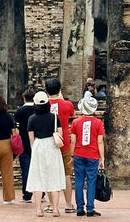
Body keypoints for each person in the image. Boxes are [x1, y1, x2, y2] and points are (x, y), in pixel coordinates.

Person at [26, 90, 66, 217]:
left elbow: (31, 138)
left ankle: (38, 209)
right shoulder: (54, 117)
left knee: (38, 178)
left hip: (38, 145)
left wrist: (34, 151)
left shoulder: (31, 119)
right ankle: (55, 209)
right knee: (54, 176)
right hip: (52, 146)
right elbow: (60, 134)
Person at [71, 95, 105, 217]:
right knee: (91, 181)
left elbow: (73, 141)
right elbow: (100, 141)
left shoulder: (75, 122)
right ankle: (90, 208)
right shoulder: (98, 123)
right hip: (92, 155)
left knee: (79, 181)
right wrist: (102, 158)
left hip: (78, 154)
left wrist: (71, 155)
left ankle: (80, 208)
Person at [46, 77, 76, 213]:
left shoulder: (43, 105)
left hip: (48, 143)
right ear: (59, 89)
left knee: (49, 174)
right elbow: (71, 115)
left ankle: (51, 205)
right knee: (67, 175)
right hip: (64, 143)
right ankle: (69, 205)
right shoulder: (67, 104)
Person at [15, 89, 36, 202]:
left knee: (26, 169)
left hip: (24, 142)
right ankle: (40, 193)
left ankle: (27, 194)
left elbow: (16, 130)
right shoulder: (38, 110)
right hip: (37, 142)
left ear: (24, 98)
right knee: (38, 168)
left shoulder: (19, 112)